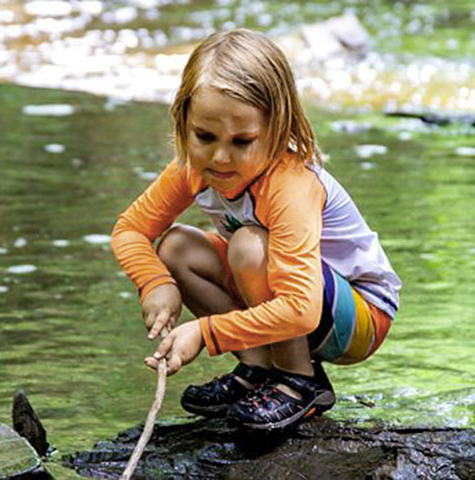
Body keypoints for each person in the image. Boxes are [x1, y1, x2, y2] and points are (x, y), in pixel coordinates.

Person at [110, 28, 401, 430]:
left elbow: (300, 310)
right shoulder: (194, 168)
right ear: (182, 119)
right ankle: (258, 368)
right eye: (205, 136)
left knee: (247, 246)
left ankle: (300, 380)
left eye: (242, 141)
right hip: (291, 296)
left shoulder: (290, 184)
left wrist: (206, 332)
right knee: (176, 247)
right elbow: (130, 231)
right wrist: (155, 281)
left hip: (360, 316)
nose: (221, 157)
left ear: (278, 129)